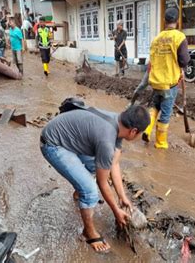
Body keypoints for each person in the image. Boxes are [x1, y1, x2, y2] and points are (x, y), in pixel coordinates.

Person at [40, 105, 150, 253]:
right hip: (52, 143)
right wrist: (116, 210)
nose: (138, 137)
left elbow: (114, 163)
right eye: (140, 134)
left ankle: (79, 192)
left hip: (67, 137)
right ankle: (89, 232)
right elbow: (102, 182)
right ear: (134, 131)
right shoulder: (107, 140)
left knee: (96, 166)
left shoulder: (118, 123)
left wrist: (122, 196)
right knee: (91, 192)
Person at [135, 8, 189, 149]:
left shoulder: (156, 39)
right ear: (177, 21)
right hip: (169, 84)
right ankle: (160, 143)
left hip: (156, 82)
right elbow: (184, 61)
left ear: (165, 21)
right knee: (165, 113)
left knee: (154, 106)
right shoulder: (179, 37)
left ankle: (147, 130)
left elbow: (152, 61)